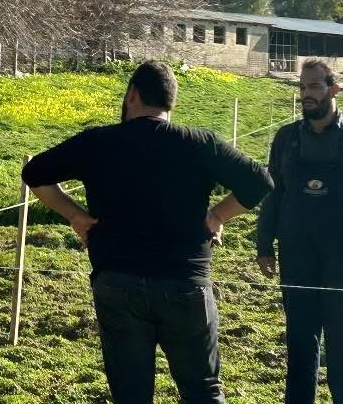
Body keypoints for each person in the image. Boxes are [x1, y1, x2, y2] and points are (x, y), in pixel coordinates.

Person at [22, 60, 273, 404]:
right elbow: (259, 182)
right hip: (185, 283)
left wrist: (75, 215)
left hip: (117, 282)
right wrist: (218, 215)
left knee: (131, 395)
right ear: (171, 103)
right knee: (203, 392)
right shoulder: (199, 142)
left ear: (132, 95)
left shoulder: (98, 142)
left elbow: (34, 173)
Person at [255, 58, 343, 404]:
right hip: (296, 254)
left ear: (335, 89)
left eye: (315, 86)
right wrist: (264, 245)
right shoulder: (286, 138)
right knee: (300, 342)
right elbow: (273, 195)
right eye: (302, 87)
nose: (306, 94)